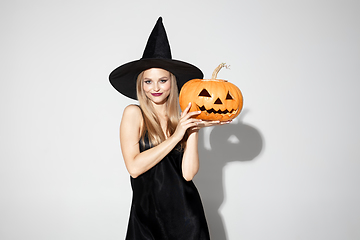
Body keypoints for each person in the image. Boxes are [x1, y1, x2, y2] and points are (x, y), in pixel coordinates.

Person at [109, 17, 230, 240]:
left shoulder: (182, 118)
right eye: (148, 81)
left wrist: (193, 129)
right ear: (140, 84)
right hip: (146, 219)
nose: (155, 87)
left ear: (172, 82)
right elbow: (134, 168)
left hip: (187, 219)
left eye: (162, 80)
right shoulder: (133, 114)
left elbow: (188, 173)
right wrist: (176, 136)